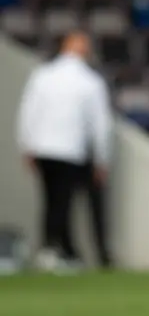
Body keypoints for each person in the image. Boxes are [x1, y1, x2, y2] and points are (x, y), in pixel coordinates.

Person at [17, 31, 112, 272]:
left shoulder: (43, 75)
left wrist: (27, 145)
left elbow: (28, 112)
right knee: (63, 202)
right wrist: (102, 158)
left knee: (52, 201)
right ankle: (55, 250)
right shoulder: (91, 81)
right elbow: (100, 124)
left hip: (44, 148)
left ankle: (57, 248)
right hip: (71, 150)